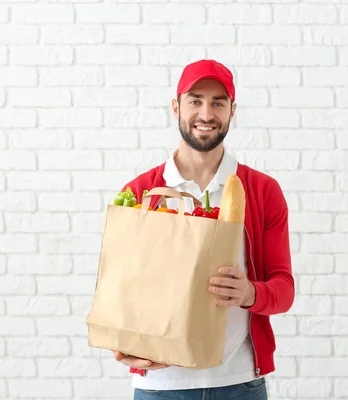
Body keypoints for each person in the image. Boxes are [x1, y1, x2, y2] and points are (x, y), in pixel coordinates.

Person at [112, 59, 295, 400]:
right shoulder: (141, 192)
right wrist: (123, 347)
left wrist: (250, 293)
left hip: (238, 383)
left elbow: (284, 288)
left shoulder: (260, 191)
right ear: (175, 106)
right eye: (195, 100)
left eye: (218, 103)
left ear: (232, 110)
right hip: (160, 387)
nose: (206, 114)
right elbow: (121, 293)